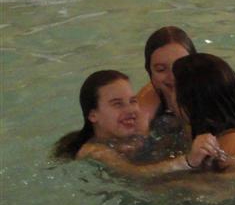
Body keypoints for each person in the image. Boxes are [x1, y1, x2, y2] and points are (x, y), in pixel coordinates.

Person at [53, 69, 222, 174]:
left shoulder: (132, 139)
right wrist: (188, 161)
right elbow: (134, 174)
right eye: (117, 104)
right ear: (93, 115)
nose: (130, 111)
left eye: (133, 101)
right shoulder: (93, 151)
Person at [136, 25, 196, 141]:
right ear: (150, 72)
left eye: (180, 66)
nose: (172, 77)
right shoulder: (147, 101)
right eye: (161, 69)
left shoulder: (213, 94)